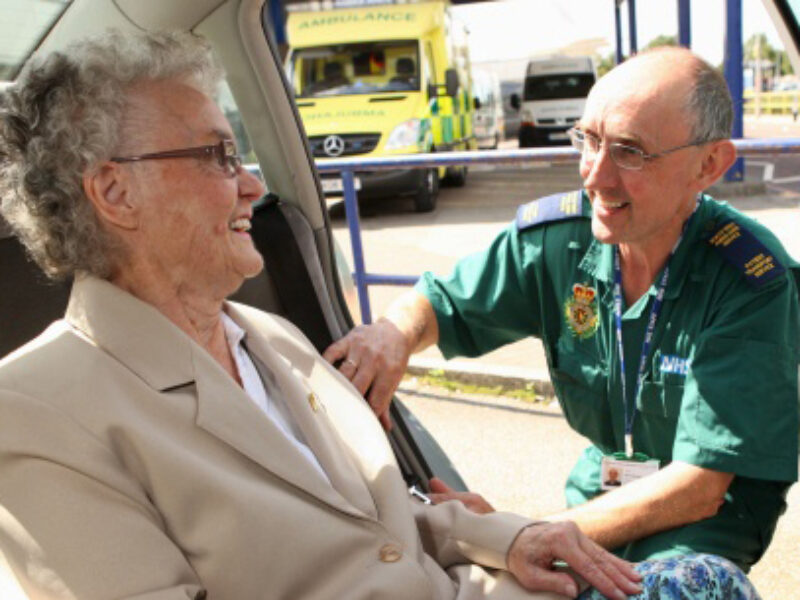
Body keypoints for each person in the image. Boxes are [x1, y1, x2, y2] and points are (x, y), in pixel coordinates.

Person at [0, 30, 648, 600]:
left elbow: (359, 524)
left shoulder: (270, 338)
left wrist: (504, 536)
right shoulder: (35, 410)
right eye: (218, 156)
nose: (252, 185)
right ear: (115, 193)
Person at [324, 46, 800, 575]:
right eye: (589, 140)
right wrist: (392, 334)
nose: (595, 177)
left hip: (695, 536)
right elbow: (441, 302)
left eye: (629, 151)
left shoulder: (749, 282)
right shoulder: (561, 240)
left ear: (709, 165)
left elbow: (699, 489)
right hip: (594, 502)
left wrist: (526, 533)